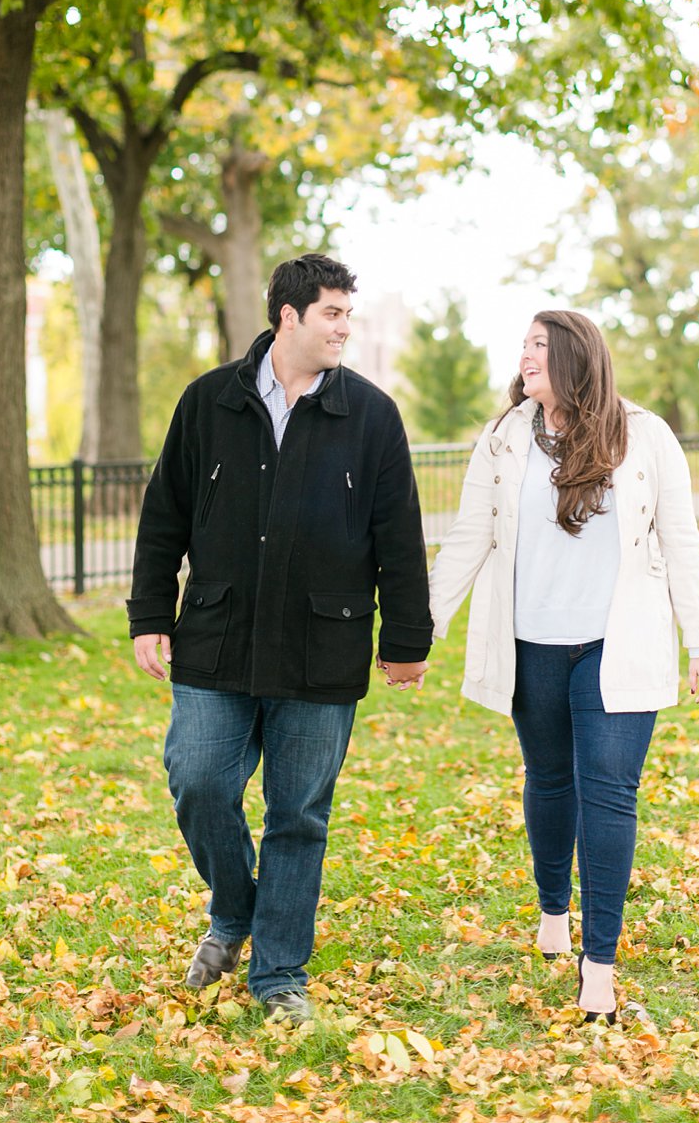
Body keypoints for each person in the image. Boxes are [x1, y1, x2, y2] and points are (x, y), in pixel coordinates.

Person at [128, 253, 433, 1025]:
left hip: (320, 646)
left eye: (348, 315)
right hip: (217, 637)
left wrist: (406, 636)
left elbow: (399, 533)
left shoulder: (371, 414)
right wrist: (148, 614)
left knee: (298, 814)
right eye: (332, 313)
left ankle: (277, 975)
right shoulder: (207, 403)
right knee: (197, 779)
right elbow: (164, 515)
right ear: (288, 316)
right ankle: (235, 915)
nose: (344, 328)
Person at [428, 309, 699, 1024]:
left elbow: (681, 540)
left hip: (617, 643)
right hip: (533, 642)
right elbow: (470, 537)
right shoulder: (502, 439)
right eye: (521, 342)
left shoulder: (644, 435)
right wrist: (423, 626)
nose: (524, 355)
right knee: (551, 779)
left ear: (574, 356)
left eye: (538, 343)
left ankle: (601, 965)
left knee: (610, 795)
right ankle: (553, 908)